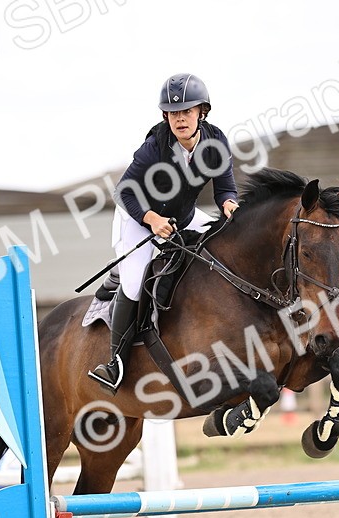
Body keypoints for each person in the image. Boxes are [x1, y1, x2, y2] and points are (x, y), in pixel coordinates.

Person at [88, 73, 240, 394]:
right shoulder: (154, 148)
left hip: (183, 216)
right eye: (173, 113)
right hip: (137, 217)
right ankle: (115, 362)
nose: (179, 118)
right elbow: (124, 192)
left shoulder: (215, 143)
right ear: (165, 116)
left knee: (222, 249)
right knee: (133, 283)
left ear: (202, 112)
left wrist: (230, 206)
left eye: (186, 111)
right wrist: (152, 218)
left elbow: (225, 189)